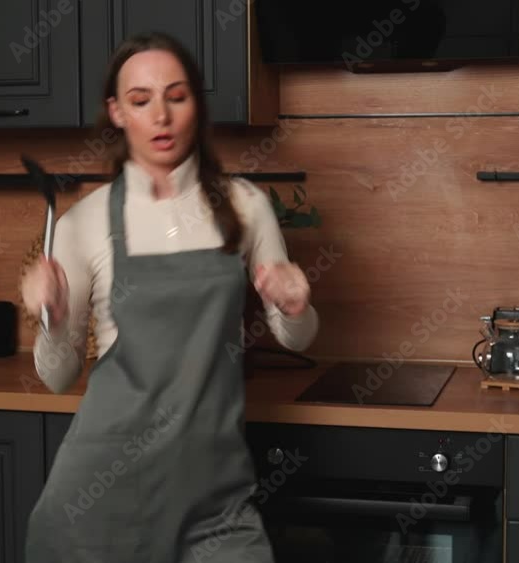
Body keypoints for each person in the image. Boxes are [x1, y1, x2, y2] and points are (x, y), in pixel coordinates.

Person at [20, 31, 319, 563]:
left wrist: (297, 305)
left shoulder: (245, 205)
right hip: (103, 500)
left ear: (196, 106)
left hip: (216, 496)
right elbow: (57, 376)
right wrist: (52, 319)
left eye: (176, 97)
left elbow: (294, 332)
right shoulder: (85, 223)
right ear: (116, 112)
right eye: (140, 101)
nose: (160, 115)